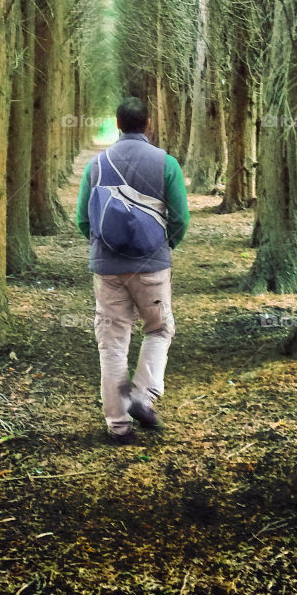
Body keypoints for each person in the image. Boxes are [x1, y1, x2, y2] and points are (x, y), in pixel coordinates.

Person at [75, 96, 190, 444]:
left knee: (112, 344)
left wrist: (104, 247)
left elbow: (83, 219)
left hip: (107, 268)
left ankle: (118, 425)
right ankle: (142, 395)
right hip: (151, 266)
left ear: (118, 123)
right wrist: (164, 246)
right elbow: (180, 218)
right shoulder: (166, 163)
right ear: (148, 124)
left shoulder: (96, 164)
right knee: (159, 329)